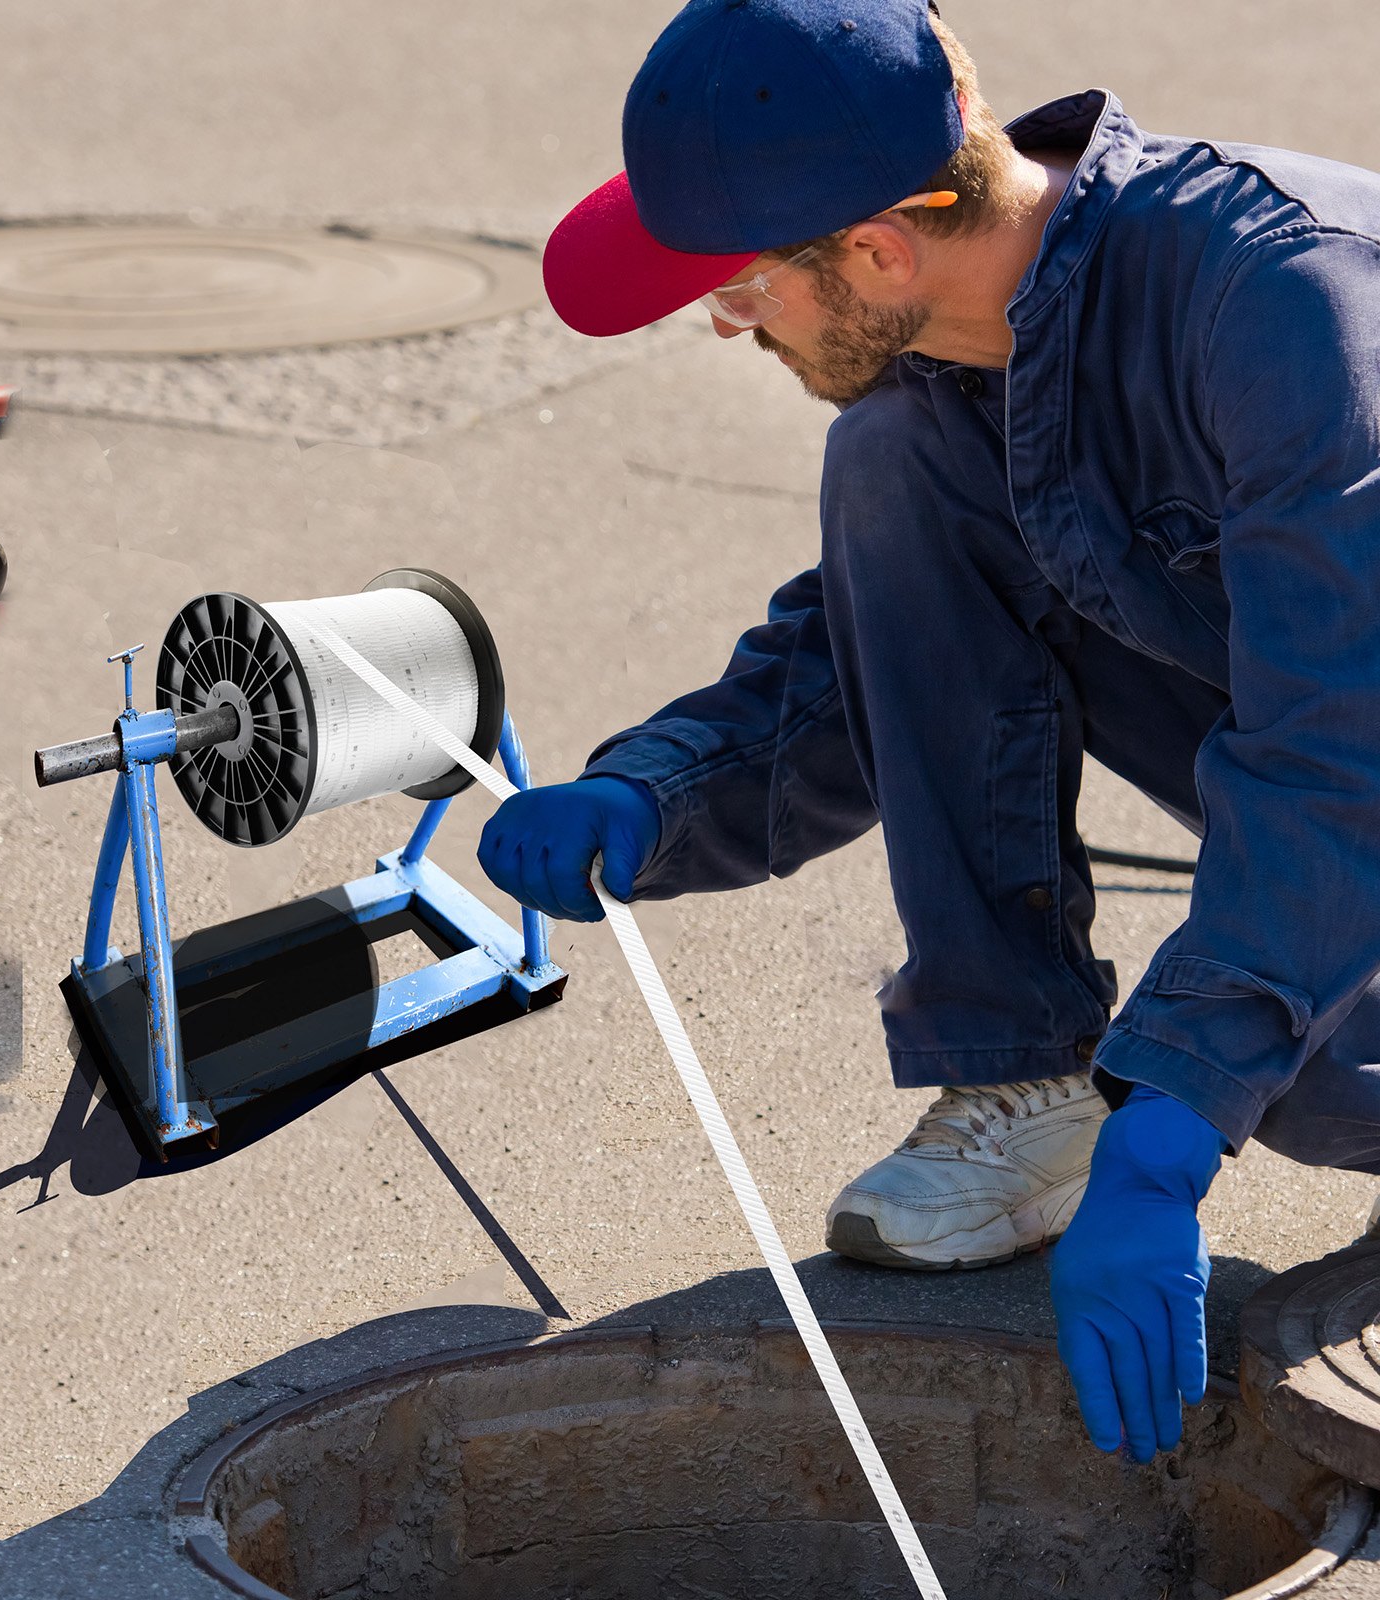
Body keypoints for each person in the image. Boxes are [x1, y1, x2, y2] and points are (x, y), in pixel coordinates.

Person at [477, 0, 1380, 1464]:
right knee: (893, 458)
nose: (722, 321)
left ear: (882, 250)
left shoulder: (1289, 310)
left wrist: (1171, 1121)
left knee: (1304, 1071)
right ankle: (1027, 1068)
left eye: (745, 285)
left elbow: (1346, 757)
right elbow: (870, 657)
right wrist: (651, 797)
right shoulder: (981, 346)